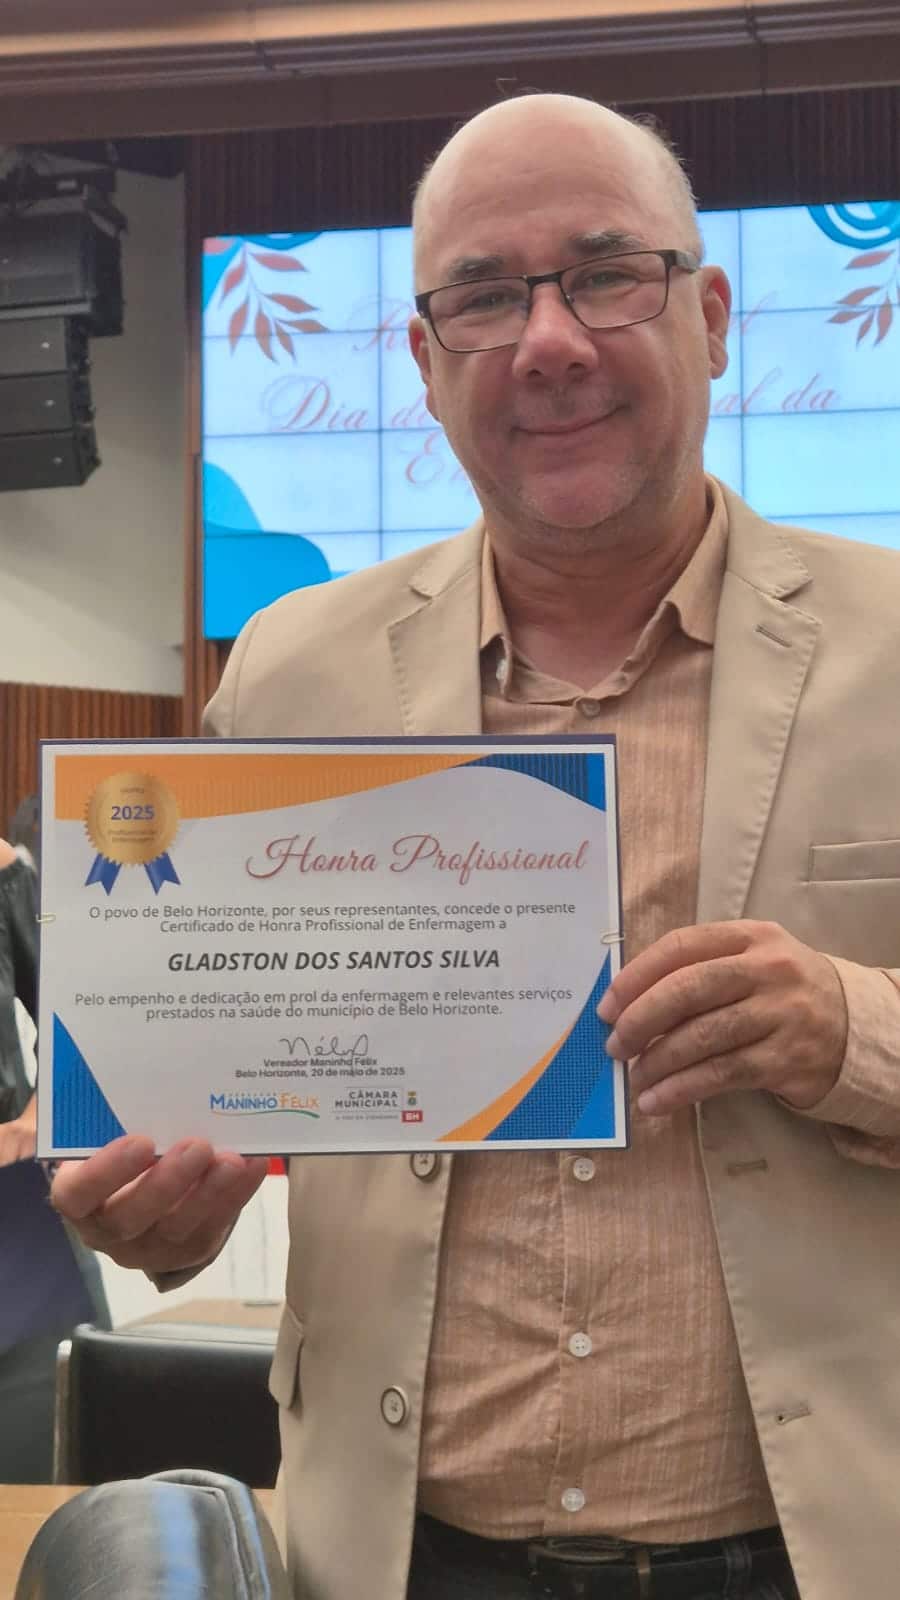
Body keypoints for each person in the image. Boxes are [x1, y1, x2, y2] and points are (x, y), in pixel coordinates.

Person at [51, 94, 900, 1600]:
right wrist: (163, 1206)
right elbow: (213, 1086)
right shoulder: (291, 671)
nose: (549, 341)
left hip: (823, 1546)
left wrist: (852, 1031)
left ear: (712, 317)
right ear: (426, 362)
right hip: (400, 1556)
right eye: (486, 296)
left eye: (606, 274)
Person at [0, 835, 111, 1481]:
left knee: (52, 1469)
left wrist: (38, 1118)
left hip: (13, 1223)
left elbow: (82, 1008)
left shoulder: (4, 873)